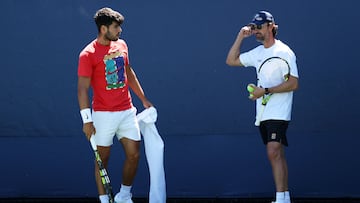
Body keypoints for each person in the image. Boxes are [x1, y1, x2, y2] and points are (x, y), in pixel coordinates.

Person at [77, 7, 152, 203]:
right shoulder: (87, 54)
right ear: (103, 29)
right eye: (116, 27)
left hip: (127, 111)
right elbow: (82, 89)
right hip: (103, 115)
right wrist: (87, 120)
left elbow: (128, 72)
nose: (120, 31)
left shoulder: (122, 45)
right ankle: (104, 200)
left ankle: (124, 196)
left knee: (134, 155)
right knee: (102, 161)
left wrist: (143, 98)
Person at [226, 11, 299, 203]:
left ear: (270, 27)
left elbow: (293, 83)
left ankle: (281, 199)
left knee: (273, 151)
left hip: (280, 110)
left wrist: (265, 90)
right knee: (277, 153)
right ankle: (284, 197)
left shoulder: (285, 52)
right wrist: (240, 36)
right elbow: (231, 60)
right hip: (263, 112)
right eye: (254, 27)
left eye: (259, 27)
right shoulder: (257, 53)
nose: (256, 31)